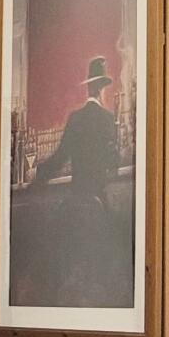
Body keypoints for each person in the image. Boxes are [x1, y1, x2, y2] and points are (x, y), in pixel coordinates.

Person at [33, 55, 128, 304]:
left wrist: (38, 176)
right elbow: (113, 164)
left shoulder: (75, 118)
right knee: (119, 245)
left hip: (76, 200)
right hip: (97, 201)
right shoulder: (108, 120)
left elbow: (59, 158)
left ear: (88, 87)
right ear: (103, 89)